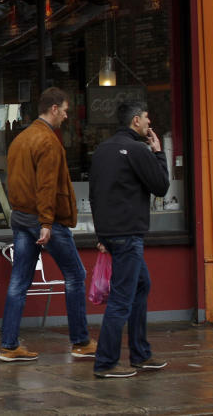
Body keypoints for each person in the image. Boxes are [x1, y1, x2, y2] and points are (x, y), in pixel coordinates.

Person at [0, 87, 96, 362]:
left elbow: (17, 183)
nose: (66, 115)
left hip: (20, 217)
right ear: (54, 108)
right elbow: (46, 186)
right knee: (75, 274)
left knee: (19, 282)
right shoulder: (48, 141)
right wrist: (46, 222)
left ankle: (9, 345)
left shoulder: (21, 139)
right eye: (65, 110)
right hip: (42, 221)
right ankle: (81, 341)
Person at [89, 101, 170, 379]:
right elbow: (161, 185)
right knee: (121, 299)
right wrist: (158, 152)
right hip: (128, 235)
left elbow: (95, 193)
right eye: (147, 119)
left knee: (140, 285)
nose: (149, 124)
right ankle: (106, 362)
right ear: (136, 121)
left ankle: (141, 353)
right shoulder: (137, 149)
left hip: (111, 233)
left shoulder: (102, 150)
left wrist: (101, 234)